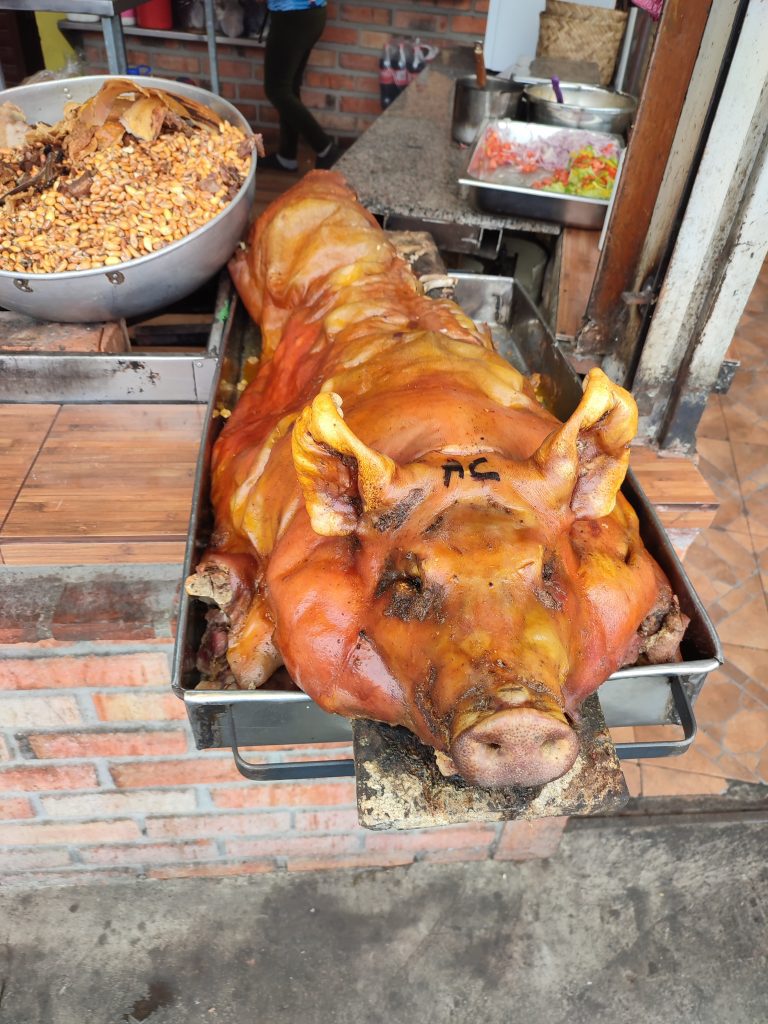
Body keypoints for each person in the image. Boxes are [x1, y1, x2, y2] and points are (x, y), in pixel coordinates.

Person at [259, 0, 340, 172]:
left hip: (292, 16)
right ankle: (286, 157)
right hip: (311, 14)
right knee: (288, 88)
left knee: (277, 90)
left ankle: (325, 149)